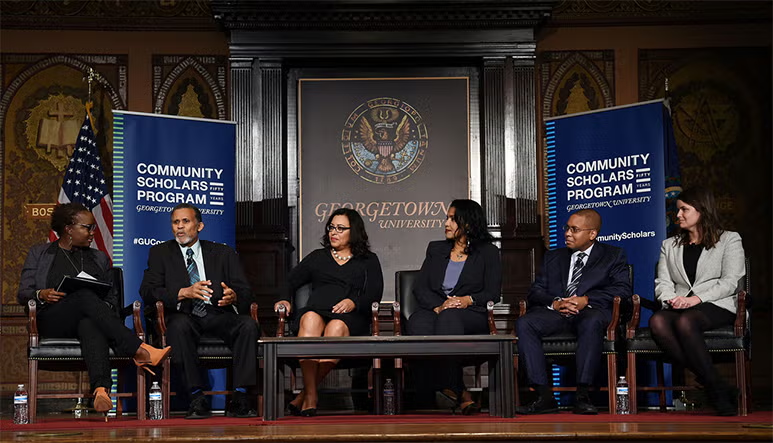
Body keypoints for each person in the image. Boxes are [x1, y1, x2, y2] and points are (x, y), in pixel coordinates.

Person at [17, 203, 171, 418]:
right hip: (52, 319)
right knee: (83, 296)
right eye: (87, 228)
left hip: (89, 319)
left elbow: (111, 297)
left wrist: (102, 305)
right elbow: (24, 292)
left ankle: (101, 390)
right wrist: (41, 294)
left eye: (93, 228)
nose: (92, 233)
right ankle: (137, 349)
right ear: (69, 229)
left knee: (90, 322)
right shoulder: (40, 253)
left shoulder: (98, 258)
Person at [139, 203, 259, 419]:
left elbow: (246, 290)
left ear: (200, 225)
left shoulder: (222, 253)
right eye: (175, 222)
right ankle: (196, 398)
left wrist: (235, 296)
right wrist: (183, 292)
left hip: (217, 314)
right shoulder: (160, 253)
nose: (180, 227)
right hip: (183, 314)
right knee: (178, 326)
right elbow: (148, 291)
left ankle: (240, 397)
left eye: (185, 221)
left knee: (248, 325)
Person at [516, 209, 630, 415]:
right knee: (525, 323)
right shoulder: (553, 256)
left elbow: (622, 290)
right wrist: (557, 302)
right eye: (566, 228)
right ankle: (544, 396)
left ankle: (583, 395)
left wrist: (586, 300)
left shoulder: (612, 255)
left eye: (574, 230)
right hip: (557, 314)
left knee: (592, 321)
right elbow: (536, 291)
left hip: (590, 312)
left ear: (592, 234)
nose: (567, 233)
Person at [274, 208, 383, 417]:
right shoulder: (318, 257)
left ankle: (305, 394)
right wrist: (283, 299)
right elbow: (289, 281)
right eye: (331, 227)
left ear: (355, 232)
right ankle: (312, 396)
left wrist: (353, 301)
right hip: (317, 310)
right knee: (309, 318)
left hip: (350, 318)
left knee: (336, 326)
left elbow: (374, 292)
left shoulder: (368, 260)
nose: (334, 232)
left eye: (341, 228)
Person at [650, 187, 745, 416]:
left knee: (685, 323)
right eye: (677, 210)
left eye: (684, 209)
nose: (678, 215)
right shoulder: (669, 245)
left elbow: (731, 281)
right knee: (657, 321)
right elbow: (662, 282)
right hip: (681, 304)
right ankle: (718, 387)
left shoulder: (729, 239)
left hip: (717, 303)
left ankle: (715, 391)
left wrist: (696, 299)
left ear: (702, 211)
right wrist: (673, 299)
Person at [406, 199, 502, 415]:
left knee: (450, 318)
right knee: (417, 323)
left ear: (467, 224)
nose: (446, 223)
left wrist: (467, 300)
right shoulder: (436, 249)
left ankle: (450, 389)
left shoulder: (488, 253)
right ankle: (459, 391)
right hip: (438, 310)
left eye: (452, 219)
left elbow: (492, 293)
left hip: (471, 315)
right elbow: (420, 288)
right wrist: (440, 306)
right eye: (446, 218)